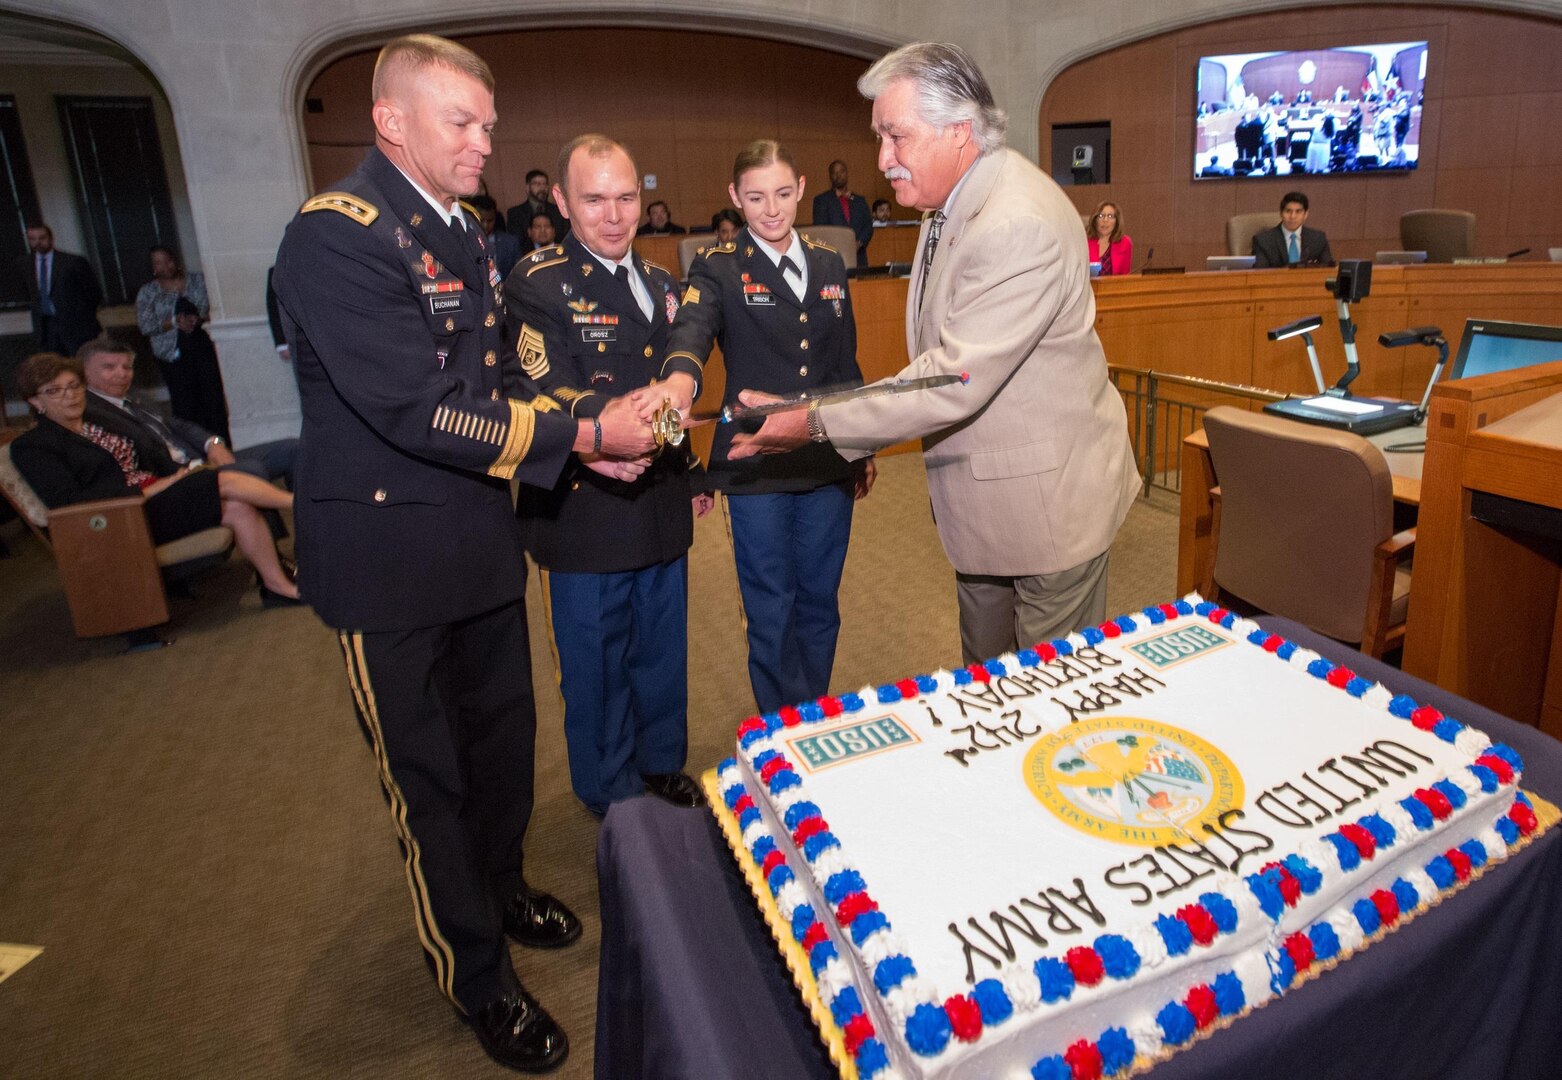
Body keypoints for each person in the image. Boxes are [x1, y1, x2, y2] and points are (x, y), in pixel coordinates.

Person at [272, 35, 655, 1073]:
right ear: (390, 121)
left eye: (488, 122)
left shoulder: (461, 233)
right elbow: (413, 407)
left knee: (500, 752)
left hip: (480, 542)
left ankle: (503, 888)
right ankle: (473, 975)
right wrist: (581, 439)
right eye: (463, 122)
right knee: (428, 781)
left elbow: (491, 389)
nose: (486, 141)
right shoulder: (336, 236)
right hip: (389, 563)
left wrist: (584, 438)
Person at [728, 41, 1140, 664]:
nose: (883, 159)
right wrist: (807, 402)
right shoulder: (946, 205)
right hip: (986, 513)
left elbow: (950, 378)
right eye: (879, 138)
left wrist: (810, 419)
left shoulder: (1013, 221)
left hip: (1048, 512)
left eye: (896, 136)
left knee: (1053, 715)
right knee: (989, 696)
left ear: (959, 130)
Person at [504, 134, 707, 819]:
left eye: (625, 198)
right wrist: (600, 431)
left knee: (661, 652)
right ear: (561, 200)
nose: (614, 215)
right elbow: (535, 381)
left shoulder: (660, 284)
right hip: (584, 505)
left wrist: (691, 463)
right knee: (595, 665)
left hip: (658, 501)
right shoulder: (538, 281)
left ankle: (660, 764)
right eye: (594, 200)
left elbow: (665, 396)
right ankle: (610, 790)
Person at [663, 139, 874, 713]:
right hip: (756, 463)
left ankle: (813, 716)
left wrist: (862, 445)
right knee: (771, 606)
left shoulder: (830, 261)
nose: (772, 209)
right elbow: (691, 330)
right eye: (755, 198)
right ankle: (779, 726)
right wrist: (680, 379)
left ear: (802, 188)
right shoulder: (717, 266)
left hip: (827, 455)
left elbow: (845, 365)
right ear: (735, 198)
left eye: (783, 194)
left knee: (819, 600)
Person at [9, 352, 300, 604]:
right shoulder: (33, 445)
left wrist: (166, 480)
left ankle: (278, 587)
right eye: (54, 391)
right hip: (122, 519)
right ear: (35, 401)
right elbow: (67, 501)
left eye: (73, 386)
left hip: (154, 497)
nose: (69, 395)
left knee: (238, 508)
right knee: (222, 481)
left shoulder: (93, 425)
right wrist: (149, 490)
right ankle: (304, 506)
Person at [78, 335, 298, 491]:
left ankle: (314, 531)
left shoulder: (135, 398)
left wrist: (212, 443)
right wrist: (193, 469)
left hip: (200, 459)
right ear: (84, 372)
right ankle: (274, 553)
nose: (122, 374)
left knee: (293, 449)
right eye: (109, 367)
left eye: (127, 367)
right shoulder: (91, 413)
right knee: (250, 470)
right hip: (177, 477)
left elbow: (180, 426)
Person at [134, 246, 231, 442]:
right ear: (153, 267)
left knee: (213, 398)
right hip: (172, 353)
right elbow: (145, 325)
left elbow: (218, 305)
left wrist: (199, 319)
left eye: (168, 260)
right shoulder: (149, 292)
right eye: (159, 262)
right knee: (185, 402)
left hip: (203, 346)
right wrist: (174, 322)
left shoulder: (197, 280)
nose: (166, 266)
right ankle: (195, 444)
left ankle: (221, 442)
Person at [18, 224, 101, 356]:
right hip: (46, 327)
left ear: (51, 239)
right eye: (32, 239)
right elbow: (28, 293)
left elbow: (93, 293)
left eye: (42, 238)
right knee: (55, 368)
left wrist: (84, 318)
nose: (37, 242)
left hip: (76, 326)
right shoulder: (25, 264)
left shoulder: (72, 261)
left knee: (80, 364)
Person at [810, 159, 874, 266]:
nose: (839, 175)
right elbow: (820, 229)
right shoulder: (821, 200)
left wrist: (859, 243)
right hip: (833, 259)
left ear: (847, 173)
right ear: (830, 176)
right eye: (835, 173)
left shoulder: (859, 200)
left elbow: (868, 225)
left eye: (842, 171)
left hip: (859, 258)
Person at [1251, 191, 1333, 268]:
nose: (1292, 216)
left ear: (1305, 214)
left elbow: (1328, 269)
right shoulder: (1263, 241)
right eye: (1288, 211)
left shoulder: (1318, 239)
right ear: (1281, 213)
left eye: (1298, 212)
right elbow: (1260, 273)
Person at [504, 168, 567, 241]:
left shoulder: (559, 210)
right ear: (527, 188)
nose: (542, 188)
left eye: (545, 184)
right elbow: (516, 242)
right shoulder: (515, 213)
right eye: (538, 184)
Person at [469, 194, 521, 278]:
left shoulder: (510, 243)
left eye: (490, 220)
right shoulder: (465, 241)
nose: (485, 225)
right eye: (481, 220)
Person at [1086, 201, 1132, 276]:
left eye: (1110, 216)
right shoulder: (1084, 241)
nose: (1105, 220)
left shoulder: (1125, 243)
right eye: (1101, 216)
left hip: (1114, 287)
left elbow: (1125, 276)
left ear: (1117, 221)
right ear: (1095, 220)